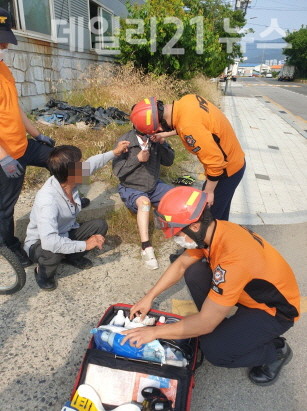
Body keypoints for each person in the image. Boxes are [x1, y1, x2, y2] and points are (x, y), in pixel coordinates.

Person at [122, 186, 300, 386]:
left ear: (195, 226)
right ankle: (222, 324)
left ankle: (276, 351)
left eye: (177, 233)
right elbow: (180, 265)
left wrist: (153, 333)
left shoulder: (233, 259)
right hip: (248, 291)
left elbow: (206, 323)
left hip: (274, 310)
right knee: (194, 271)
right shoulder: (214, 231)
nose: (175, 238)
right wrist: (150, 296)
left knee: (215, 351)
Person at [24, 141, 129, 291]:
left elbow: (93, 163)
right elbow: (49, 242)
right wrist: (85, 245)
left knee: (100, 226)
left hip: (64, 232)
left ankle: (72, 257)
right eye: (80, 164)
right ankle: (42, 273)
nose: (84, 166)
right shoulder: (48, 201)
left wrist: (115, 152)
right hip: (40, 244)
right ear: (70, 173)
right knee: (53, 253)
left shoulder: (70, 180)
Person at [0, 7, 58, 267]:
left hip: (23, 145)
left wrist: (38, 134)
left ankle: (72, 193)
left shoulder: (3, 68)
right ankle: (8, 246)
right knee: (5, 207)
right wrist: (4, 158)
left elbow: (15, 108)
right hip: (5, 155)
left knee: (66, 158)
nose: (5, 45)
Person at [130, 95, 246, 221]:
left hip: (227, 170)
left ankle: (215, 238)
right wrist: (166, 134)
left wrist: (209, 192)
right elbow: (194, 124)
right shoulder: (186, 101)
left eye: (157, 130)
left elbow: (215, 162)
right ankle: (222, 234)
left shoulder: (188, 127)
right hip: (234, 158)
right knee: (220, 212)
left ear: (159, 127)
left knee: (210, 219)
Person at [112, 128, 174, 269]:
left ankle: (173, 226)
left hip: (153, 185)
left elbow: (169, 161)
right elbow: (117, 171)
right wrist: (137, 159)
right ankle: (146, 247)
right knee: (145, 204)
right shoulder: (125, 141)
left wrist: (163, 142)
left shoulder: (155, 139)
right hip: (131, 187)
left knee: (175, 197)